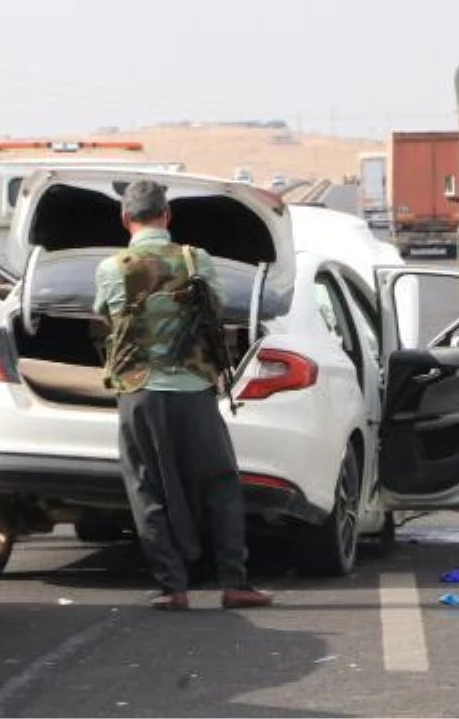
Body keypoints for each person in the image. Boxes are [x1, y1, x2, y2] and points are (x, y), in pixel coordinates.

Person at [93, 180, 274, 610]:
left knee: (146, 485)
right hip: (194, 389)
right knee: (220, 482)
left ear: (125, 219)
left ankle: (173, 587)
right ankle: (234, 582)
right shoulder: (196, 261)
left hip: (138, 393)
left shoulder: (111, 268)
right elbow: (219, 308)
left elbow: (104, 314)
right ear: (167, 215)